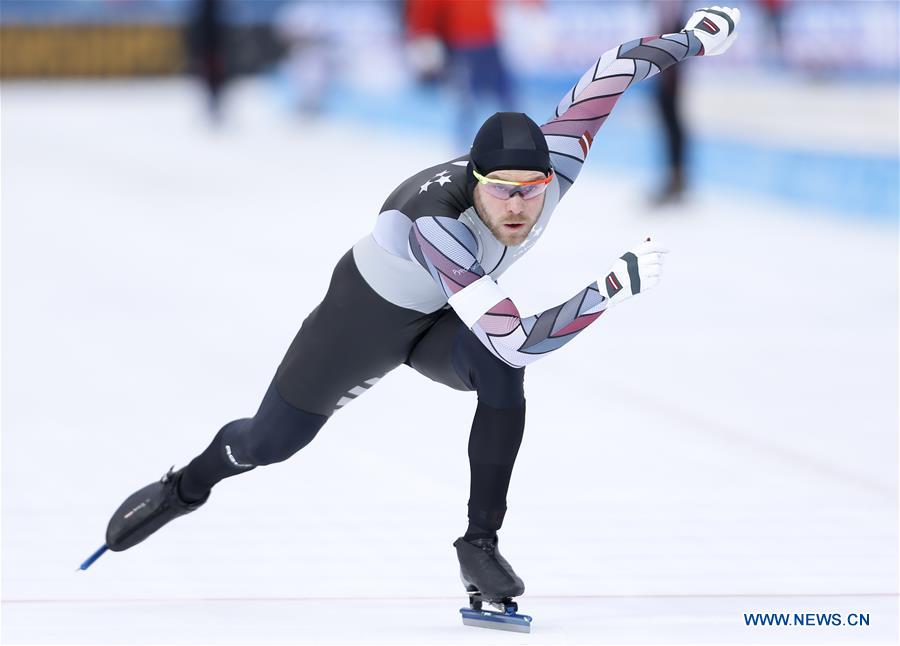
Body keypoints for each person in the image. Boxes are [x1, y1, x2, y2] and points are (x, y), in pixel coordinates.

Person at [104, 6, 740, 612]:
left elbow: (616, 69)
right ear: (475, 182)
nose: (519, 209)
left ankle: (479, 545)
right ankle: (187, 485)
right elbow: (518, 335)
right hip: (365, 322)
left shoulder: (561, 156)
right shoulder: (435, 224)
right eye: (502, 194)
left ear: (554, 175)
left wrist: (694, 36)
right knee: (270, 444)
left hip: (447, 311)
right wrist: (604, 290)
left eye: (532, 193)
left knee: (501, 376)